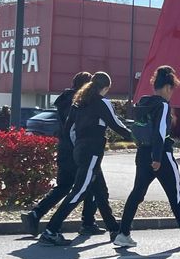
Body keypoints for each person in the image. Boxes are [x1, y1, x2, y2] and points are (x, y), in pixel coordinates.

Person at [114, 65, 180, 248]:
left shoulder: (143, 103)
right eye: (172, 89)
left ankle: (123, 234)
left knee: (137, 193)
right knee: (175, 193)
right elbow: (160, 132)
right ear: (167, 87)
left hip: (142, 153)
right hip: (161, 155)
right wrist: (157, 158)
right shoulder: (163, 105)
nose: (172, 94)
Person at [38, 72, 132, 247]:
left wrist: (78, 145)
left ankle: (115, 230)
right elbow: (116, 124)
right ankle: (51, 230)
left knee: (100, 191)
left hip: (79, 150)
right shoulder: (102, 102)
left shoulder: (79, 102)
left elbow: (68, 128)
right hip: (92, 152)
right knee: (80, 191)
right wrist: (136, 137)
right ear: (106, 88)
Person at [20, 72, 102, 237]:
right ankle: (87, 222)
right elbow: (75, 128)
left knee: (63, 186)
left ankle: (35, 214)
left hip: (64, 149)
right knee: (89, 185)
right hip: (77, 151)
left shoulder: (64, 100)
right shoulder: (79, 102)